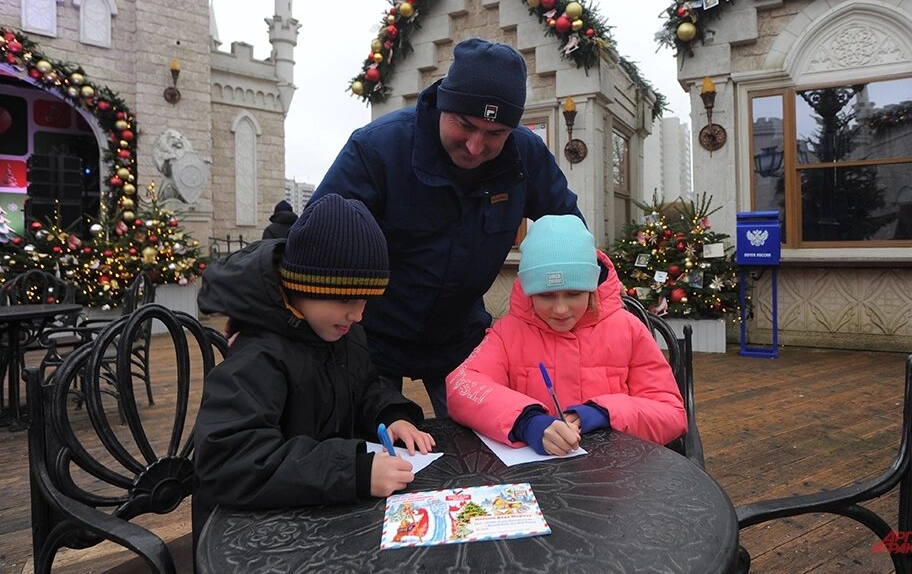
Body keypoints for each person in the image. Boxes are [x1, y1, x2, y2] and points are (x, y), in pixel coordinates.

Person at [311, 38, 581, 418]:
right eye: (465, 125)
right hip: (368, 337)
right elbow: (311, 240)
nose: (475, 146)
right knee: (371, 437)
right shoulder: (377, 148)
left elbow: (570, 230)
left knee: (481, 438)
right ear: (443, 104)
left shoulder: (526, 155)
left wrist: (599, 303)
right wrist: (263, 314)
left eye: (495, 134)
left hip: (459, 337)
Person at [192, 193, 435, 538]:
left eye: (366, 300)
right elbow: (230, 459)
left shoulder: (342, 333)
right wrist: (353, 472)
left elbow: (365, 387)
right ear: (302, 286)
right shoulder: (258, 355)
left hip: (319, 516)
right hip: (251, 535)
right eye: (345, 299)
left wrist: (391, 415)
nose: (358, 314)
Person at [445, 215, 687, 455]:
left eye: (573, 293)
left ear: (591, 288)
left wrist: (604, 413)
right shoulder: (508, 332)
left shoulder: (629, 330)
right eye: (546, 295)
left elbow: (671, 414)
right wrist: (526, 421)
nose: (560, 309)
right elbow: (462, 387)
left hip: (616, 470)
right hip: (538, 474)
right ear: (529, 292)